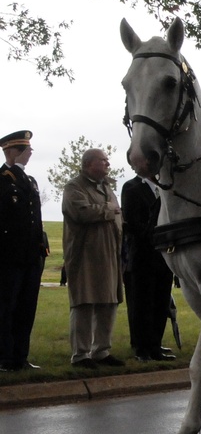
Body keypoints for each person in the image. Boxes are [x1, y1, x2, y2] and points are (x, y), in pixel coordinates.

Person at [62, 148, 126, 369]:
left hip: (110, 255)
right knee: (85, 303)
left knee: (108, 303)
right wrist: (109, 209)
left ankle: (101, 351)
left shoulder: (107, 187)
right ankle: (80, 354)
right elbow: (82, 213)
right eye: (103, 161)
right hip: (86, 256)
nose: (108, 164)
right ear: (89, 164)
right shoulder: (74, 187)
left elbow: (119, 217)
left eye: (108, 161)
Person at [0, 130, 47, 372]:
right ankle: (5, 358)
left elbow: (34, 219)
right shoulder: (3, 180)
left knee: (26, 309)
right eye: (24, 150)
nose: (29, 154)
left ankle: (21, 356)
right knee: (7, 308)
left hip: (30, 256)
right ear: (10, 151)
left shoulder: (30, 181)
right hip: (8, 257)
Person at [121, 172, 176, 361]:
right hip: (143, 255)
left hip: (163, 256)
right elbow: (132, 223)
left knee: (160, 302)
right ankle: (141, 347)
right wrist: (155, 234)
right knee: (141, 303)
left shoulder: (164, 190)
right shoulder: (132, 188)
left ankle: (155, 344)